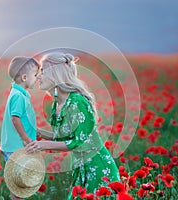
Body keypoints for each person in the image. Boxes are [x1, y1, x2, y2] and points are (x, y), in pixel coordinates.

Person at [25, 52, 120, 199]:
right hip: (81, 169)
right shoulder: (57, 104)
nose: (38, 76)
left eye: (42, 71)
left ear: (55, 73)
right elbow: (64, 138)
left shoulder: (77, 101)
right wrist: (39, 133)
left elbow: (77, 142)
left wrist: (42, 145)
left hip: (99, 169)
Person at [0, 56, 40, 200]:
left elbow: (22, 119)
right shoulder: (18, 96)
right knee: (19, 186)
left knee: (18, 185)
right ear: (24, 77)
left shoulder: (18, 93)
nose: (38, 77)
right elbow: (15, 119)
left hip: (16, 145)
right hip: (17, 146)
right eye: (35, 75)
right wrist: (26, 138)